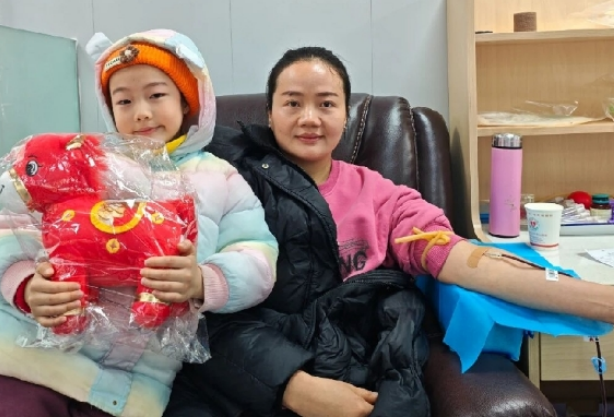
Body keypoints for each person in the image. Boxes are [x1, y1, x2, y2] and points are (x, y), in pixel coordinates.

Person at [165, 45, 614, 417]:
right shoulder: (225, 183)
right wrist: (294, 386)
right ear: (269, 113)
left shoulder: (379, 195)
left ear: (346, 115)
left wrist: (599, 301)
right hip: (251, 369)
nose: (309, 118)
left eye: (326, 103)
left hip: (357, 368)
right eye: (293, 103)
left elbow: (462, 260)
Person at [0, 29, 278, 417]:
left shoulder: (222, 178)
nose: (142, 112)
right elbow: (11, 226)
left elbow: (259, 256)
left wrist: (202, 281)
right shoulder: (86, 160)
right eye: (124, 101)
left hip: (130, 385)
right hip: (28, 358)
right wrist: (26, 286)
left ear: (186, 100)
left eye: (156, 95)